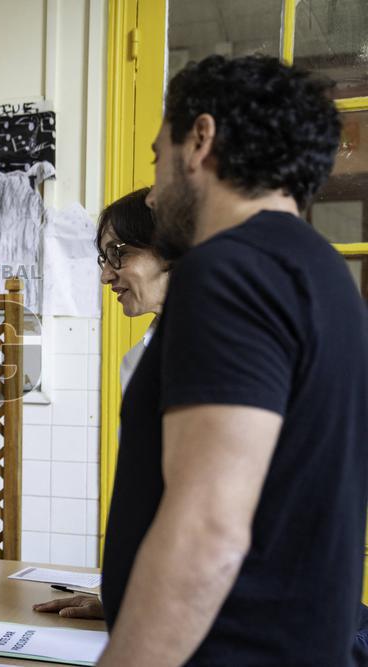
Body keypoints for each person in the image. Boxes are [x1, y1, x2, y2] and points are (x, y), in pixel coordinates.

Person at [96, 55, 366, 665]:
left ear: (201, 140)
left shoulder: (229, 272)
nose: (153, 188)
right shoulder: (321, 272)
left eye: (155, 159)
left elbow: (207, 529)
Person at [34, 187, 166, 622]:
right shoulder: (152, 347)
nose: (107, 276)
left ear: (172, 247)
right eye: (103, 259)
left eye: (118, 254)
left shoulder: (222, 347)